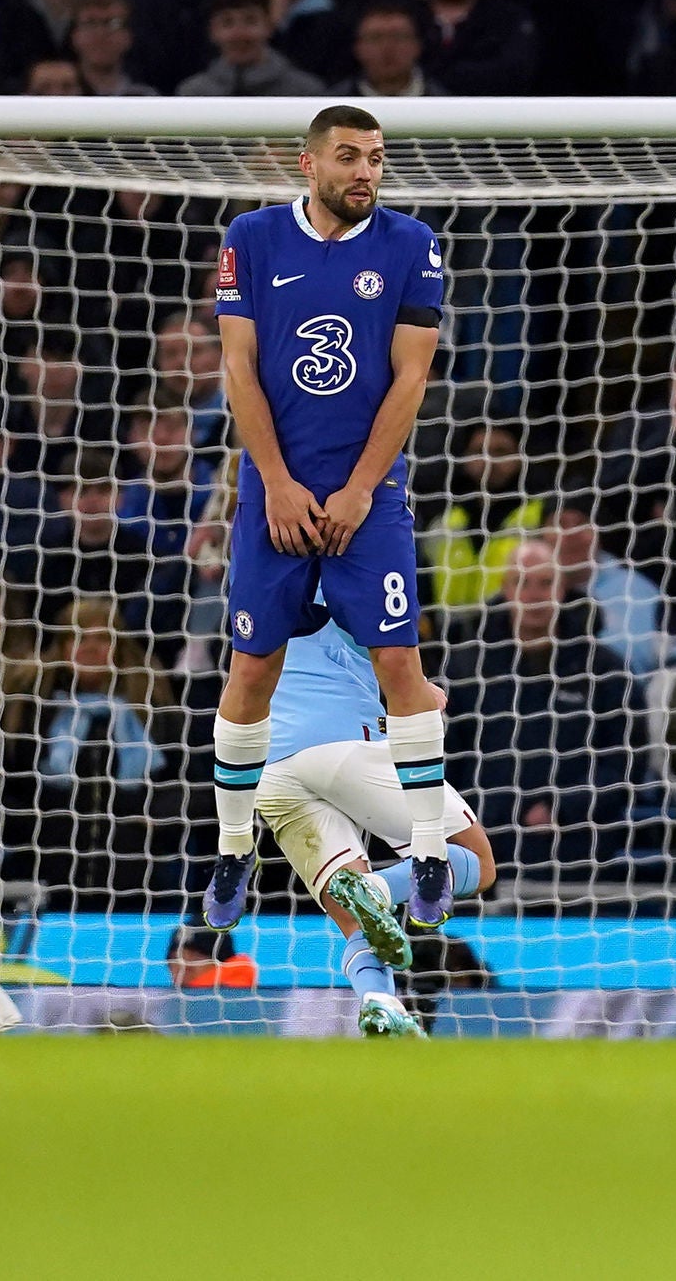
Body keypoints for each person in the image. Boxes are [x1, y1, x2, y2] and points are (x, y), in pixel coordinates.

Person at [200, 106, 456, 939]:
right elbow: (238, 366)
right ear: (306, 165)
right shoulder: (254, 236)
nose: (365, 173)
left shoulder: (413, 244)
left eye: (376, 159)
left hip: (369, 495)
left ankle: (423, 849)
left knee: (399, 659)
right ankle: (234, 846)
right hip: (274, 492)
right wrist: (275, 482)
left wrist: (357, 490)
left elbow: (410, 380)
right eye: (348, 157)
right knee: (251, 672)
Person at [249, 595, 498, 1039]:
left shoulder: (256, 574)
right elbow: (394, 654)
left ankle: (380, 1004)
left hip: (270, 766)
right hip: (341, 742)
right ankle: (377, 888)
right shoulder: (352, 558)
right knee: (475, 860)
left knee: (356, 918)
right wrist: (422, 693)